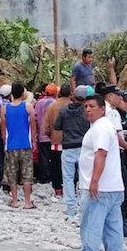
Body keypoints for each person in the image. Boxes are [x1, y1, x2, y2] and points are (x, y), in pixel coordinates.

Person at [72, 94, 125, 251]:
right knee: (112, 227)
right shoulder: (106, 127)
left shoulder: (100, 128)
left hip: (99, 187)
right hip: (113, 186)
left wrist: (94, 181)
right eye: (85, 106)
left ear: (102, 109)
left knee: (90, 226)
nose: (87, 109)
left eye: (92, 106)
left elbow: (100, 154)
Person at [103, 86, 127, 237]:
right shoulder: (112, 113)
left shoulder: (122, 115)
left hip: (125, 155)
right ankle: (120, 223)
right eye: (123, 99)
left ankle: (124, 219)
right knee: (124, 188)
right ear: (111, 96)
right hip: (120, 155)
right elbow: (117, 137)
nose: (125, 103)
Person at [55, 86, 91, 219]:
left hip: (68, 147)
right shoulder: (86, 112)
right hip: (83, 147)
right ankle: (84, 207)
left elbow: (57, 126)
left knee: (68, 178)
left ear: (74, 96)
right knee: (84, 178)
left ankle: (71, 208)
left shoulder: (64, 110)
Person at [1, 83, 36, 208]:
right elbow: (33, 127)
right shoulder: (28, 107)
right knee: (27, 175)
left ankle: (15, 201)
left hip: (11, 146)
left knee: (12, 174)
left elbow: (3, 130)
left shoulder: (4, 109)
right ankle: (27, 202)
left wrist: (5, 143)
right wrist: (34, 142)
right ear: (22, 94)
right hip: (25, 145)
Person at [44, 84, 70, 196]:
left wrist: (51, 135)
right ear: (70, 93)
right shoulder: (73, 105)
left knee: (56, 166)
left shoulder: (52, 106)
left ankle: (58, 189)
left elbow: (46, 127)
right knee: (70, 168)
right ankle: (70, 188)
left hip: (55, 142)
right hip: (71, 143)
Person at [35, 83, 58, 185]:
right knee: (54, 157)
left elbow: (35, 118)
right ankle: (53, 176)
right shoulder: (55, 103)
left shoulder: (39, 103)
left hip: (42, 134)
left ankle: (44, 177)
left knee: (43, 157)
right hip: (53, 135)